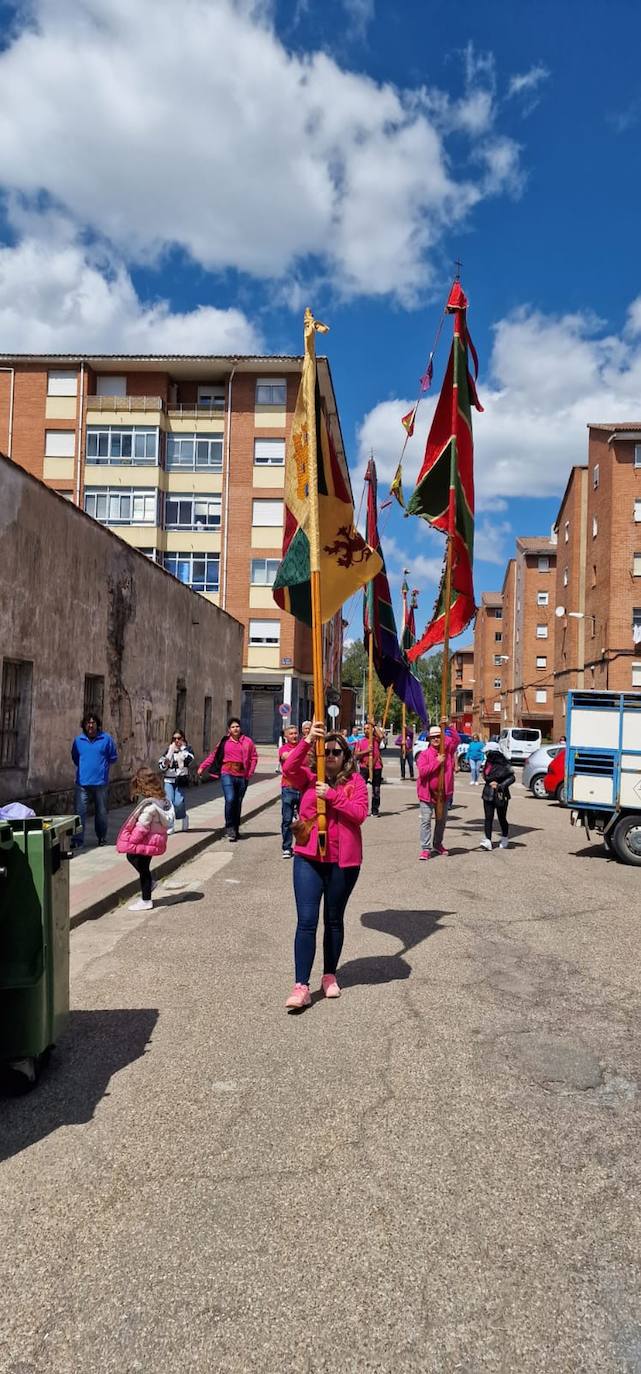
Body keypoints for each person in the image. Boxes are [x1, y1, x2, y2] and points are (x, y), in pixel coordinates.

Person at [281, 722, 368, 1009]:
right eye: (326, 750)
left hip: (342, 863)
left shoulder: (355, 783)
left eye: (336, 751)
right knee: (306, 921)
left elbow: (359, 814)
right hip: (308, 859)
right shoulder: (307, 777)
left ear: (346, 757)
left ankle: (329, 975)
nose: (330, 755)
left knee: (333, 919)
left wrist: (331, 796)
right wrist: (307, 740)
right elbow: (288, 768)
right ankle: (301, 985)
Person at [116, 767, 174, 911]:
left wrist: (132, 840)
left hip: (146, 839)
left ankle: (146, 900)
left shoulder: (149, 805)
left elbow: (142, 826)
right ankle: (149, 887)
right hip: (155, 839)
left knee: (139, 865)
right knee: (143, 867)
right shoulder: (162, 799)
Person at [198, 716, 258, 841]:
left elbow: (253, 757)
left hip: (242, 776)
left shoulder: (247, 741)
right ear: (229, 730)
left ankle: (235, 828)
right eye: (233, 727)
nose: (235, 729)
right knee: (230, 799)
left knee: (238, 802)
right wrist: (202, 767)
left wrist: (250, 773)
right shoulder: (224, 742)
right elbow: (214, 755)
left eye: (237, 726)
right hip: (227, 773)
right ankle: (229, 827)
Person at [71, 713, 118, 848]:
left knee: (101, 812)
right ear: (84, 725)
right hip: (82, 783)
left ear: (97, 725)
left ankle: (102, 837)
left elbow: (113, 757)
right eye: (88, 723)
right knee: (79, 813)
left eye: (93, 723)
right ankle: (77, 841)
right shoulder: (78, 741)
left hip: (100, 783)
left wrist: (102, 768)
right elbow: (75, 757)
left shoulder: (106, 739)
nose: (90, 725)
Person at [415, 718, 460, 859]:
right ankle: (426, 848)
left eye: (438, 737)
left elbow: (456, 740)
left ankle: (438, 843)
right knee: (426, 821)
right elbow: (422, 772)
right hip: (427, 794)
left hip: (444, 794)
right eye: (433, 737)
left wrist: (448, 727)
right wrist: (437, 762)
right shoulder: (424, 754)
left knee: (441, 820)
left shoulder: (447, 750)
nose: (436, 739)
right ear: (429, 739)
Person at [158, 730, 194, 833]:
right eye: (174, 738)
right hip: (169, 780)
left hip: (181, 779)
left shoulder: (187, 750)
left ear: (183, 738)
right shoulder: (169, 750)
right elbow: (162, 765)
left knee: (178, 803)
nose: (177, 740)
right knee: (169, 802)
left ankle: (183, 816)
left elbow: (189, 760)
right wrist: (170, 753)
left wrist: (182, 749)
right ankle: (170, 825)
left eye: (179, 738)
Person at [479, 748, 516, 850]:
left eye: (488, 753)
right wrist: (488, 781)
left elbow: (512, 778)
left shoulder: (504, 764)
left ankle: (504, 837)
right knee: (488, 818)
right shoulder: (488, 762)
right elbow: (484, 774)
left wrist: (500, 785)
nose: (487, 755)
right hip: (488, 793)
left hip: (501, 794)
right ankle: (487, 840)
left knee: (502, 818)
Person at [354, 716, 385, 816]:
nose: (366, 730)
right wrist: (366, 751)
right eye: (365, 729)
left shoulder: (376, 740)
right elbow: (356, 755)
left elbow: (381, 736)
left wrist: (374, 725)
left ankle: (375, 810)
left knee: (376, 790)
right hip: (364, 768)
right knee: (361, 788)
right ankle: (361, 808)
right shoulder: (360, 741)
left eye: (368, 728)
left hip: (376, 767)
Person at [278, 724, 301, 858]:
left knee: (304, 819)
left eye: (295, 733)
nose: (294, 736)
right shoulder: (283, 749)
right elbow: (287, 757)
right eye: (291, 734)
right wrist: (301, 749)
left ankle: (302, 846)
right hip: (288, 788)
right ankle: (287, 847)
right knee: (287, 819)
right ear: (286, 737)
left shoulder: (303, 747)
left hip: (302, 788)